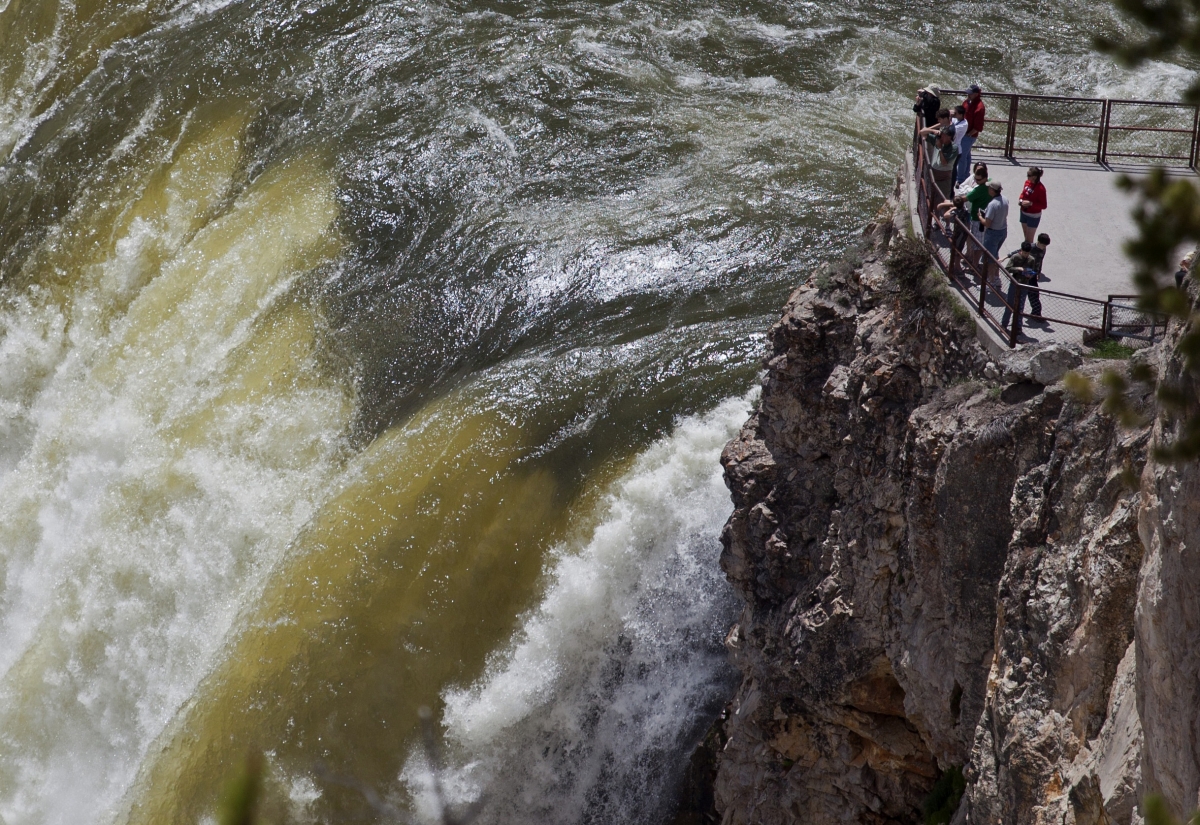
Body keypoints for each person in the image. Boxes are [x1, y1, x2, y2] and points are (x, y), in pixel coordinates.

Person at [1000, 242, 1039, 333]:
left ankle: (1018, 327)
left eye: (1028, 253)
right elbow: (1008, 268)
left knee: (1020, 306)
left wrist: (1031, 275)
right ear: (1021, 250)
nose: (1026, 255)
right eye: (1025, 253)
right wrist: (1018, 269)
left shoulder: (1031, 259)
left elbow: (1034, 271)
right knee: (1010, 304)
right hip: (1015, 283)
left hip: (1024, 285)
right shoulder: (1015, 257)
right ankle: (1004, 324)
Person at [978, 179, 1009, 285]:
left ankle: (990, 282)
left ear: (992, 190)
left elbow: (987, 223)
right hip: (1003, 231)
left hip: (992, 234)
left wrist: (979, 217)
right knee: (994, 255)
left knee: (989, 259)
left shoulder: (993, 204)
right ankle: (996, 278)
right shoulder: (1005, 199)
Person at [957, 84, 985, 185]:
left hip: (969, 135)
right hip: (963, 133)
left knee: (961, 156)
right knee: (967, 156)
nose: (968, 95)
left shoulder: (979, 107)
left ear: (976, 94)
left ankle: (960, 179)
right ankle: (966, 176)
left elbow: (978, 127)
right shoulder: (967, 102)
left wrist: (968, 134)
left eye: (970, 94)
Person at [1018, 167, 1047, 244]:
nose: (1027, 176)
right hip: (1024, 212)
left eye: (1029, 175)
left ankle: (1030, 254)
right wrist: (1021, 200)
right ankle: (1027, 252)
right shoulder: (1027, 182)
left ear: (1034, 177)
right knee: (1026, 238)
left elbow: (1043, 205)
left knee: (1029, 241)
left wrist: (1031, 203)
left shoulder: (1041, 189)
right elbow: (1023, 194)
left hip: (1033, 216)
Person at [929, 126, 960, 199]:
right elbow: (922, 132)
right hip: (934, 174)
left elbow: (944, 162)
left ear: (949, 137)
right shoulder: (938, 140)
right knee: (932, 197)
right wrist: (933, 130)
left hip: (944, 178)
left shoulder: (954, 148)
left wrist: (940, 148)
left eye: (944, 136)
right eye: (941, 135)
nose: (942, 137)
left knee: (943, 197)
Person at [1026, 233, 1051, 319]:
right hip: (1025, 274)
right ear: (1039, 242)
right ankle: (1035, 314)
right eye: (1043, 245)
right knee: (1024, 294)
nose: (1044, 247)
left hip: (1033, 274)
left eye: (1045, 246)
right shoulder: (1030, 248)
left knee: (1034, 294)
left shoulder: (1043, 249)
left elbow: (1040, 261)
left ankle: (1036, 314)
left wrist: (1039, 272)